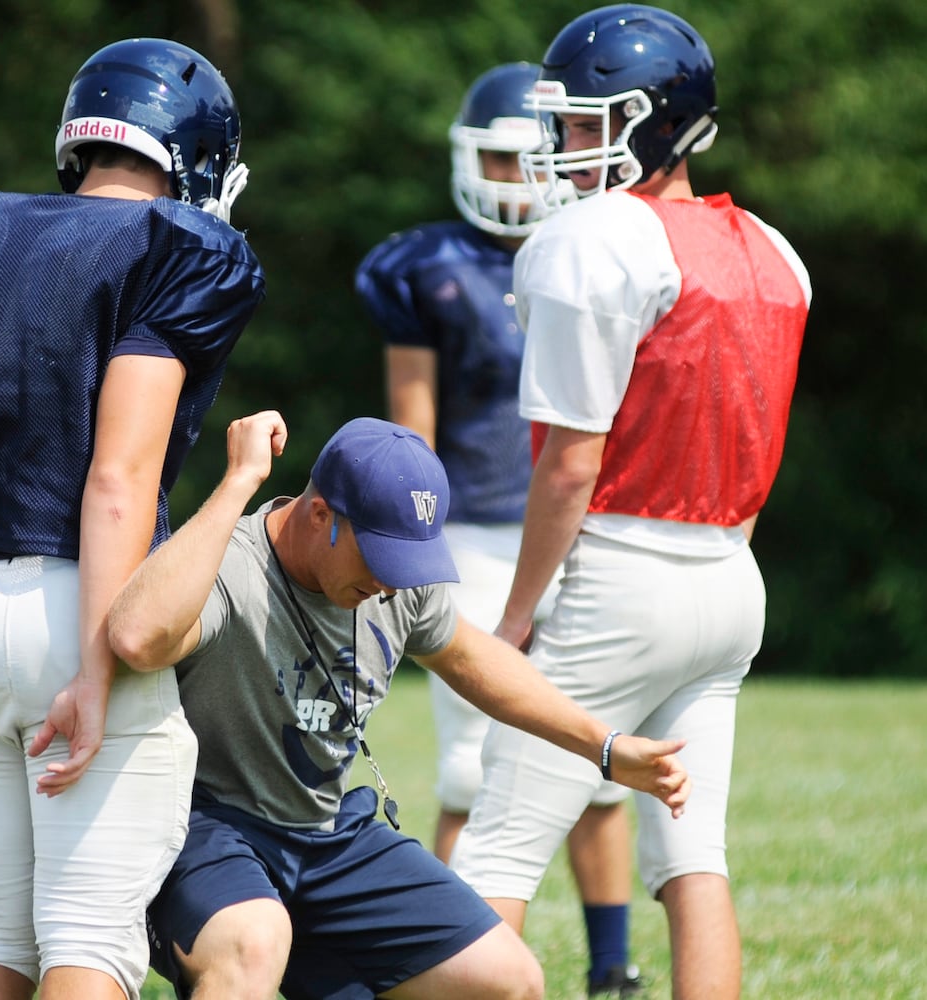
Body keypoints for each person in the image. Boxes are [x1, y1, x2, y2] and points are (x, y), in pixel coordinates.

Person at [447, 7, 812, 1000]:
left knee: (493, 857)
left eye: (579, 124)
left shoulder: (596, 235)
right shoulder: (772, 248)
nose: (562, 148)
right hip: (730, 574)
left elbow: (570, 462)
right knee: (693, 859)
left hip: (616, 571)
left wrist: (516, 614)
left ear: (651, 121)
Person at [0, 38, 264, 1000]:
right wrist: (96, 667)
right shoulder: (183, 245)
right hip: (76, 603)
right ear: (196, 159)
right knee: (90, 937)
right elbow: (119, 478)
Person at [107, 410, 691, 1000]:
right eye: (380, 559)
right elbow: (136, 637)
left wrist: (607, 747)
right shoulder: (233, 566)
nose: (391, 584)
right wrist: (238, 482)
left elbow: (471, 659)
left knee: (509, 980)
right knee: (253, 943)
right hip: (206, 826)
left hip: (325, 832)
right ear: (320, 515)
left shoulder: (399, 580)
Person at [355, 61, 642, 996]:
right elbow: (413, 427)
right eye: (498, 160)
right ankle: (449, 961)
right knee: (476, 769)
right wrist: (410, 548)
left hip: (578, 533)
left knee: (595, 757)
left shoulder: (593, 249)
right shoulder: (425, 267)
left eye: (528, 160)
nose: (515, 179)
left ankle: (613, 966)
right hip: (472, 535)